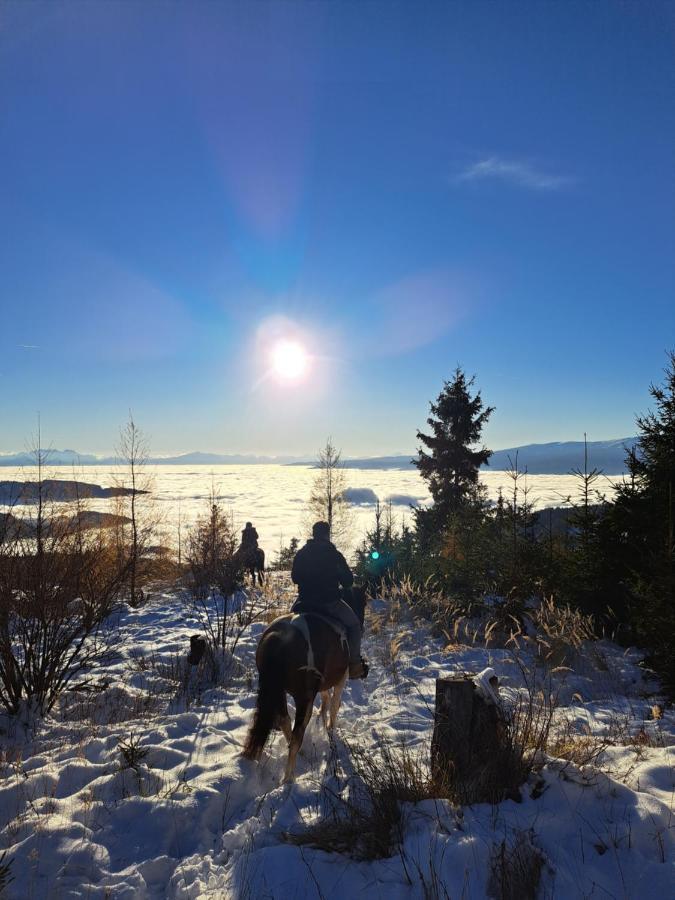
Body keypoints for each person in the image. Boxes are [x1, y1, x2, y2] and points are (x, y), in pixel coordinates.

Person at [291, 521, 368, 679]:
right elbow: (348, 582)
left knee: (288, 623)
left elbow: (295, 577)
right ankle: (354, 666)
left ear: (313, 534)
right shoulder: (334, 555)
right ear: (327, 534)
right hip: (330, 603)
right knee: (354, 627)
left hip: (304, 602)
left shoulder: (302, 553)